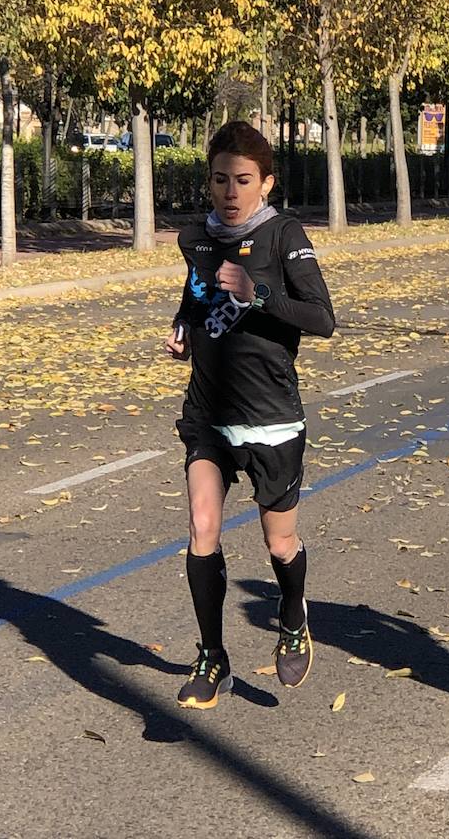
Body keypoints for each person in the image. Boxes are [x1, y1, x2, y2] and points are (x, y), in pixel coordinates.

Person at [166, 121, 336, 709]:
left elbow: (322, 318)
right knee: (202, 529)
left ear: (266, 182)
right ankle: (212, 657)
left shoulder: (283, 234)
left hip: (271, 417)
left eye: (242, 180)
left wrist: (257, 295)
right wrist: (184, 326)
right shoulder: (196, 238)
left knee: (279, 541)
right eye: (219, 180)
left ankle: (293, 615)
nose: (230, 192)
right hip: (208, 413)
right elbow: (195, 292)